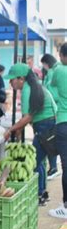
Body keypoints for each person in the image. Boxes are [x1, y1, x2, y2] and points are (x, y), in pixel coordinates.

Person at [3, 63, 56, 206]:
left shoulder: (27, 89)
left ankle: (38, 195)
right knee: (40, 162)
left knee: (33, 162)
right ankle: (42, 193)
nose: (10, 83)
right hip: (48, 124)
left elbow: (28, 117)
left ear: (21, 79)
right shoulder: (36, 86)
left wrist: (10, 130)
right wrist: (19, 129)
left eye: (12, 79)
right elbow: (35, 113)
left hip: (44, 126)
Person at [49, 42, 67, 219]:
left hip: (64, 122)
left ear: (62, 55)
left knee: (66, 165)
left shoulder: (60, 70)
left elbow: (52, 85)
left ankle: (66, 207)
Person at [41, 53, 61, 179]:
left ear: (46, 63)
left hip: (54, 110)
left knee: (49, 140)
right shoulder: (56, 70)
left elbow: (53, 92)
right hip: (56, 110)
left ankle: (53, 167)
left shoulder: (53, 72)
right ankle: (53, 166)